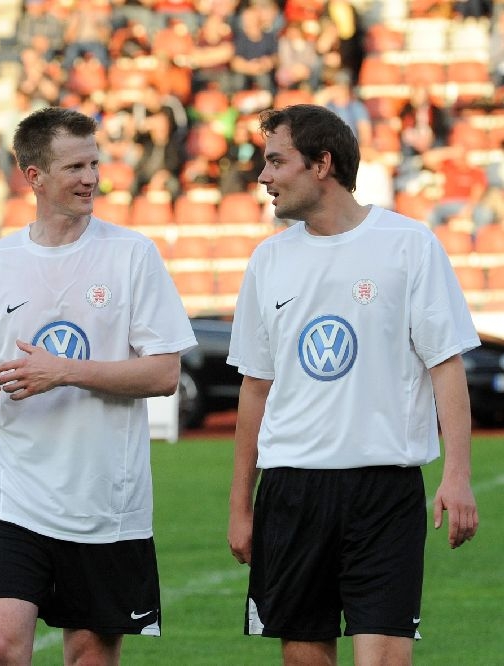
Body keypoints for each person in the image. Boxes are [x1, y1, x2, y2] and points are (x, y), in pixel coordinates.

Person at [226, 104, 480, 666]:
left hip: (384, 490)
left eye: (276, 161)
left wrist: (458, 476)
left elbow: (445, 365)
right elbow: (255, 389)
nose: (264, 177)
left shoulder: (409, 244)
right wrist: (241, 505)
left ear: (322, 164)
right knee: (303, 657)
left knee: (386, 657)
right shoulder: (268, 260)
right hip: (291, 488)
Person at [0, 106, 197, 664]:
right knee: (0, 648)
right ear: (33, 176)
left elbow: (164, 373)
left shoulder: (132, 254)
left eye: (94, 164)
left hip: (105, 504)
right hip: (14, 497)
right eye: (75, 167)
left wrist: (65, 371)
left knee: (88, 657)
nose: (91, 179)